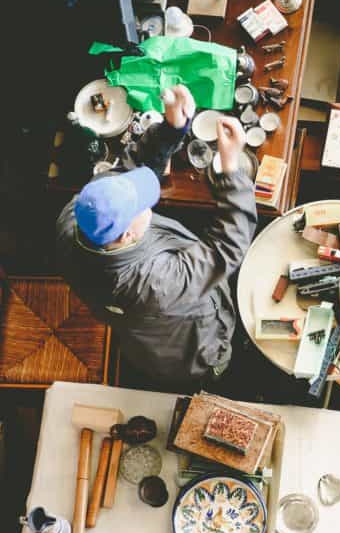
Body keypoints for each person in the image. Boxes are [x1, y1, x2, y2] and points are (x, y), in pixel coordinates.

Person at [56, 86, 257, 387]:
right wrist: (230, 170)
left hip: (140, 329)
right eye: (141, 204)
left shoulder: (76, 214)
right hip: (191, 351)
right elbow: (226, 247)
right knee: (214, 364)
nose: (148, 200)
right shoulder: (156, 282)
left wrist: (172, 128)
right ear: (125, 235)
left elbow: (128, 169)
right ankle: (218, 371)